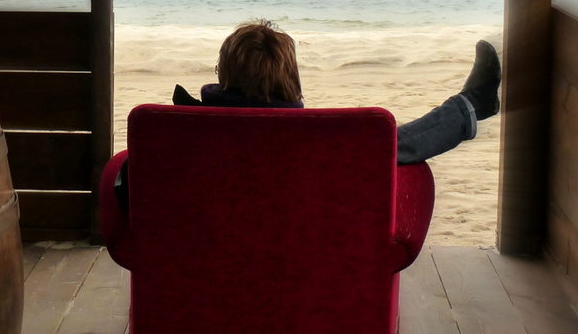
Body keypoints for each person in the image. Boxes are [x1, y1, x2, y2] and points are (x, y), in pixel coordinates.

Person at [115, 19, 501, 208]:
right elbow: (402, 148)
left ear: (224, 75)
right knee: (385, 147)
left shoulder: (173, 133)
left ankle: (473, 102)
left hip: (203, 254)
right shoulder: (323, 144)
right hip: (306, 240)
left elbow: (125, 196)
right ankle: (473, 103)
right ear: (291, 79)